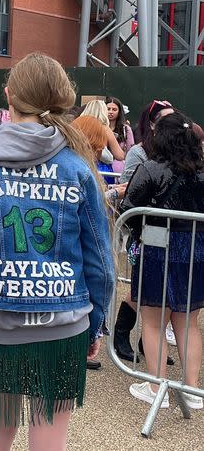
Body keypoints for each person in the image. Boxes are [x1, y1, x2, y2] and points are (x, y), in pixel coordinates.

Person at [0, 53, 114, 451]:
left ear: (9, 96)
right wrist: (98, 320)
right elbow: (102, 262)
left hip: (0, 320)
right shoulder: (77, 166)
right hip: (64, 318)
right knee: (50, 435)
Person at [120, 112, 204, 411]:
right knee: (189, 321)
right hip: (196, 250)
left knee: (154, 322)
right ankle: (192, 389)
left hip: (157, 245)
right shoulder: (201, 170)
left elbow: (129, 207)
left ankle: (157, 387)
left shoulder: (151, 168)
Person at [113, 99, 177, 364]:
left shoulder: (179, 152)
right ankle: (121, 336)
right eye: (163, 117)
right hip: (146, 233)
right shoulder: (139, 152)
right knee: (142, 290)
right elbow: (129, 188)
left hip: (176, 236)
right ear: (151, 123)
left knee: (167, 295)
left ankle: (149, 344)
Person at [80, 100, 124, 167]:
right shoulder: (104, 128)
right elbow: (119, 155)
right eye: (107, 109)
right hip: (98, 168)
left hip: (80, 163)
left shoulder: (78, 124)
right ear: (103, 112)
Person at [106, 96, 133, 174]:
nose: (111, 112)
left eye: (114, 109)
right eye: (108, 109)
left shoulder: (126, 129)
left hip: (119, 171)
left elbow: (130, 152)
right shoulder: (99, 127)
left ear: (119, 112)